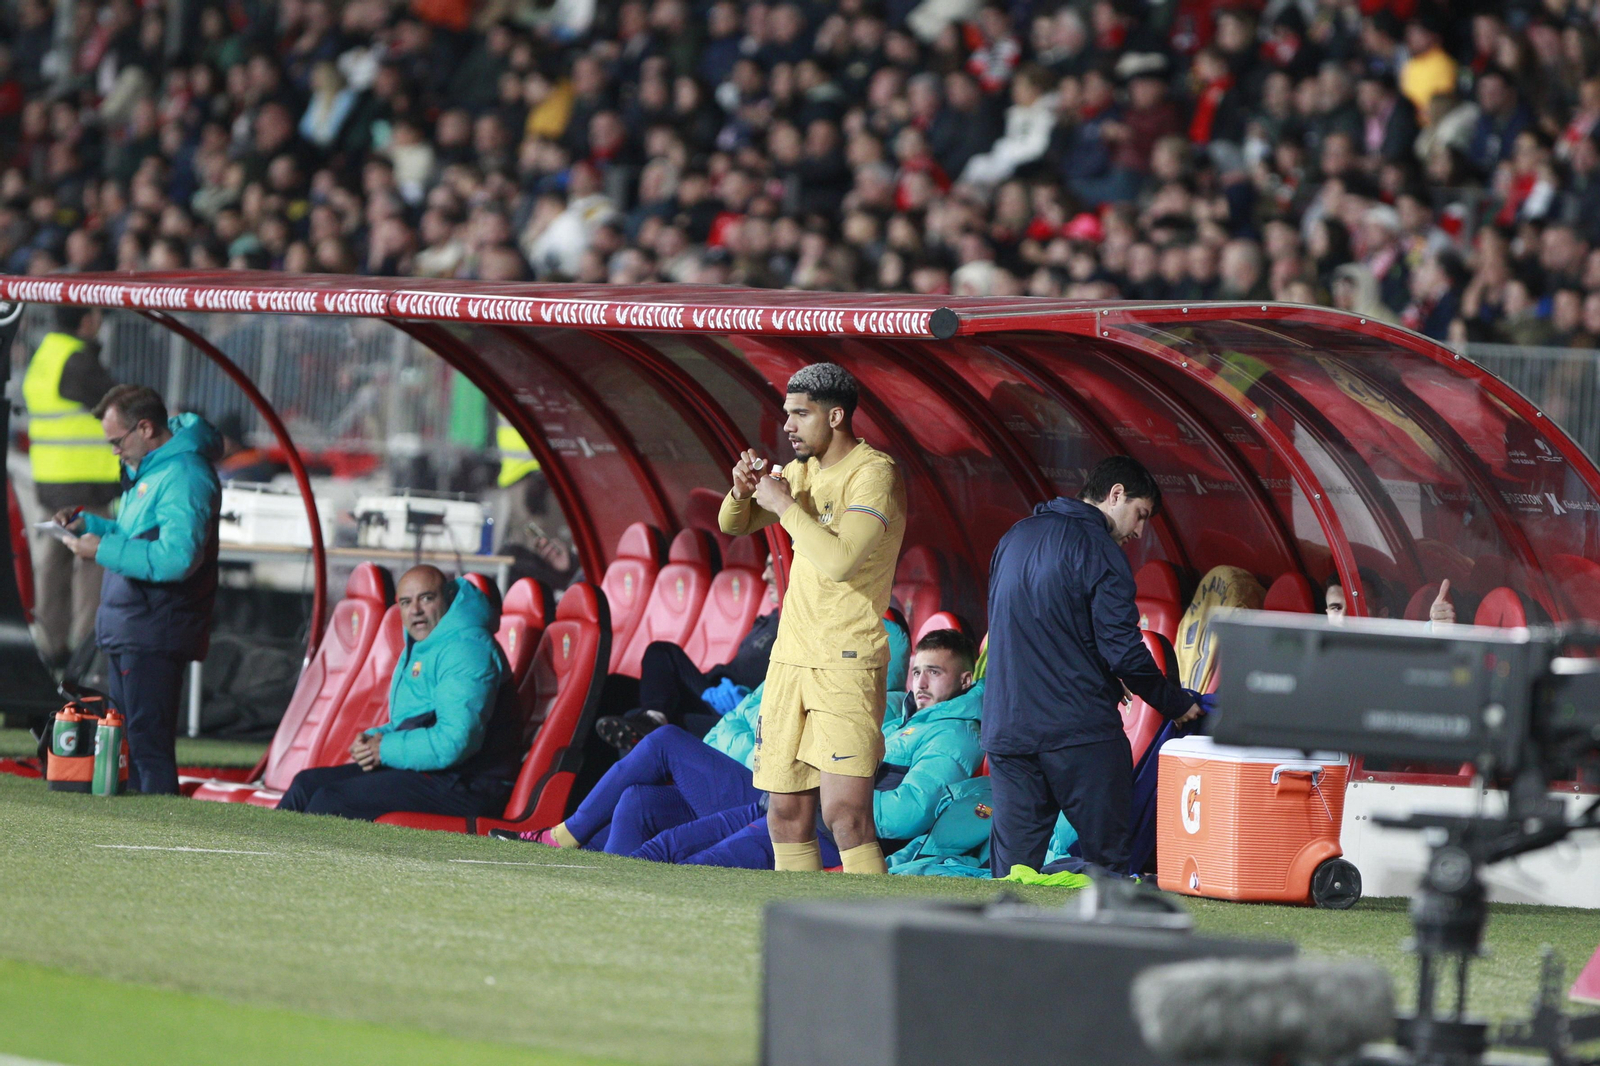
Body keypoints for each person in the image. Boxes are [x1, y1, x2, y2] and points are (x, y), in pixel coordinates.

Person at [718, 362, 908, 874]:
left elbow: (842, 560)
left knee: (845, 814)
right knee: (784, 813)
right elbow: (733, 524)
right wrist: (742, 491)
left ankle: (871, 933)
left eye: (800, 414)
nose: (788, 426)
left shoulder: (875, 474)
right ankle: (800, 934)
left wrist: (783, 505)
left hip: (846, 661)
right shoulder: (801, 472)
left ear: (837, 415)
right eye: (787, 414)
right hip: (790, 660)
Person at [982, 455, 1203, 877]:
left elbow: (1036, 631)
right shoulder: (1099, 549)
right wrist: (1173, 702)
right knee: (1109, 867)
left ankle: (1010, 943)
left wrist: (1097, 671)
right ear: (1115, 494)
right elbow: (1124, 650)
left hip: (1007, 732)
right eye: (1140, 515)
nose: (1139, 531)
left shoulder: (1014, 537)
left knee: (1012, 874)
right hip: (1078, 732)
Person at [641, 627, 985, 870]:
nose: (920, 684)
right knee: (657, 834)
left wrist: (826, 791)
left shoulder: (955, 736)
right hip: (795, 805)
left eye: (934, 673)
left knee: (694, 863)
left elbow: (905, 812)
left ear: (966, 679)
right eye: (917, 672)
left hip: (829, 834)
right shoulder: (901, 717)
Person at [56, 385, 221, 795]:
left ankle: (164, 842)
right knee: (129, 743)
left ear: (145, 427)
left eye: (117, 441)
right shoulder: (154, 471)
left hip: (154, 627)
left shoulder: (184, 475)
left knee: (147, 746)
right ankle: (144, 839)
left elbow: (177, 559)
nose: (114, 452)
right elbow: (135, 537)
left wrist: (103, 549)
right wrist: (90, 527)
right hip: (135, 625)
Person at [278, 565, 524, 820]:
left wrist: (382, 749)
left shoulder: (466, 649)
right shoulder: (429, 644)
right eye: (406, 603)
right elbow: (417, 721)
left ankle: (307, 859)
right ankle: (267, 855)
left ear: (449, 597)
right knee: (306, 785)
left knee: (331, 799)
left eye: (426, 598)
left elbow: (454, 742)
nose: (415, 610)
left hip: (471, 785)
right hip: (439, 773)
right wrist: (373, 739)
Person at [23, 306, 119, 673]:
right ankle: (86, 650)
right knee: (91, 561)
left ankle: (50, 644)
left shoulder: (45, 354)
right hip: (86, 483)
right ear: (86, 320)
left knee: (53, 564)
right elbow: (117, 404)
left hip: (51, 480)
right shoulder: (78, 361)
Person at [595, 562, 781, 750]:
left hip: (738, 710)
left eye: (773, 565)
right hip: (715, 690)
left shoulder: (795, 627)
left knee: (641, 723)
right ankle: (653, 717)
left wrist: (744, 701)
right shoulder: (773, 617)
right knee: (646, 662)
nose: (764, 575)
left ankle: (652, 720)